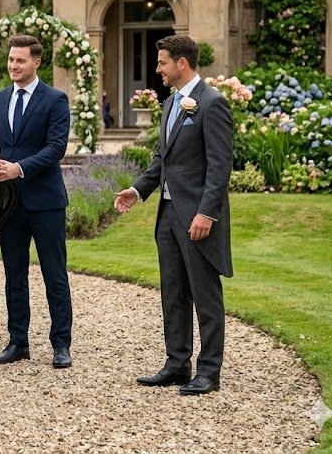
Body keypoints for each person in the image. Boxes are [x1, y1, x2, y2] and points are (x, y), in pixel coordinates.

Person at [114, 35, 234, 396]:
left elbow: (219, 166)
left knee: (204, 294)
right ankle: (177, 364)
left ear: (182, 63)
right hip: (167, 215)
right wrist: (137, 191)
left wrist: (206, 214)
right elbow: (161, 159)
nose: (158, 69)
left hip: (196, 216)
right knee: (173, 292)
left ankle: (208, 372)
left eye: (163, 62)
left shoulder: (212, 104)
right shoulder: (171, 103)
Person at [0, 35, 73, 369]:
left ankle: (61, 344)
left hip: (46, 202)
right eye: (10, 60)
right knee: (13, 274)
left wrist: (19, 168)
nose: (13, 66)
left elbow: (56, 147)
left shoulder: (55, 100)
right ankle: (18, 342)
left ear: (36, 62)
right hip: (9, 204)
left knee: (54, 274)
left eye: (20, 60)